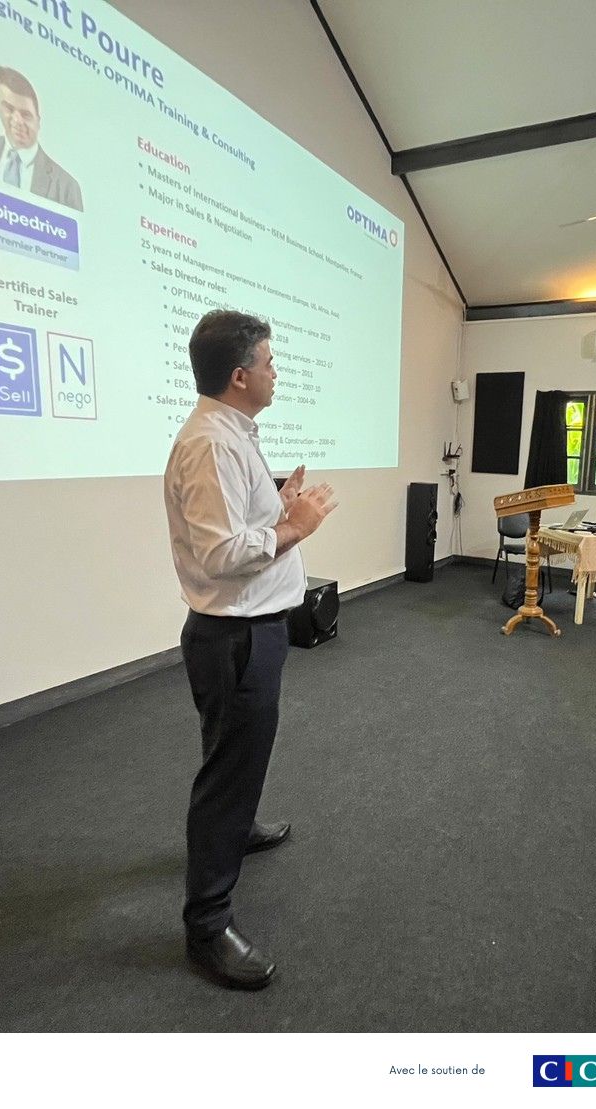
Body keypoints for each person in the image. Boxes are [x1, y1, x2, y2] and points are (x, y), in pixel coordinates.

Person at [164, 309, 337, 990]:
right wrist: (297, 525)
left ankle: (235, 830)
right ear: (239, 376)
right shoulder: (212, 444)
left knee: (233, 758)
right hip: (234, 635)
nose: (276, 372)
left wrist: (277, 507)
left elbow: (238, 527)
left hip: (247, 631)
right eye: (269, 362)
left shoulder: (230, 433)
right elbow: (220, 555)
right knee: (226, 774)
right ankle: (207, 925)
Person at [0, 66, 83, 211]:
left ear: (38, 121)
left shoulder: (66, 186)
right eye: (9, 109)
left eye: (26, 114)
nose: (17, 121)